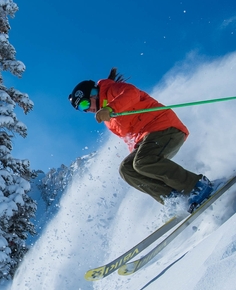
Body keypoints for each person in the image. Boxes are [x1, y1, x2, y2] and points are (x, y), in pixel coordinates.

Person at [70, 68, 213, 211]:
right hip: (147, 139)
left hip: (165, 128)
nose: (87, 110)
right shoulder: (108, 121)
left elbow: (132, 94)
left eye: (85, 104)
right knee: (127, 169)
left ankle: (196, 185)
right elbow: (129, 138)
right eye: (83, 109)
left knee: (142, 161)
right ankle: (173, 197)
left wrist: (110, 108)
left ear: (93, 94)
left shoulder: (112, 90)